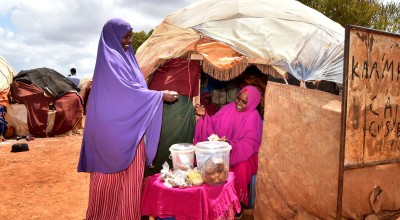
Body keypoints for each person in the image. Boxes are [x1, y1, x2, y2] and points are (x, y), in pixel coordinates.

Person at [77, 18, 178, 220]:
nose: (129, 41)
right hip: (110, 136)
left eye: (131, 36)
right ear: (113, 36)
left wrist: (154, 95)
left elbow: (136, 91)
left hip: (131, 131)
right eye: (126, 36)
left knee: (129, 184)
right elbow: (126, 94)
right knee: (108, 183)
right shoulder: (110, 61)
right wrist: (159, 95)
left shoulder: (127, 61)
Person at [194, 85, 263, 211]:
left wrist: (231, 144)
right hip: (227, 150)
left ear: (252, 103)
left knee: (241, 167)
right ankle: (215, 201)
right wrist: (205, 116)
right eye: (238, 99)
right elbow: (213, 123)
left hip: (249, 155)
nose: (239, 103)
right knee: (213, 163)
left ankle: (237, 205)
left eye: (244, 102)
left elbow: (250, 143)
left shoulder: (253, 115)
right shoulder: (229, 108)